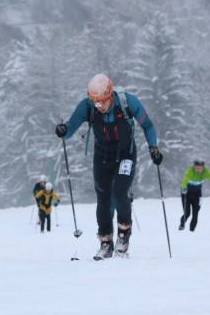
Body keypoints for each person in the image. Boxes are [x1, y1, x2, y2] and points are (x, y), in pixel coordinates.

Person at [55, 73, 160, 259]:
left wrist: (153, 148)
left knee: (119, 192)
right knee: (103, 198)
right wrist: (63, 130)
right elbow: (70, 128)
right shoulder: (87, 107)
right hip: (102, 157)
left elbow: (148, 125)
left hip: (126, 154)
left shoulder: (128, 103)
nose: (99, 106)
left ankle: (123, 234)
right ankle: (105, 243)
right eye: (94, 101)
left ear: (110, 94)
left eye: (102, 101)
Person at [180, 160, 210, 232]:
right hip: (186, 192)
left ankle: (192, 230)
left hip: (197, 193)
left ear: (203, 168)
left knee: (195, 213)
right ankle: (182, 226)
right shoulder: (190, 171)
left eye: (200, 168)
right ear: (194, 167)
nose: (198, 170)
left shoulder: (207, 171)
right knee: (187, 213)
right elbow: (184, 180)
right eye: (196, 168)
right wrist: (183, 187)